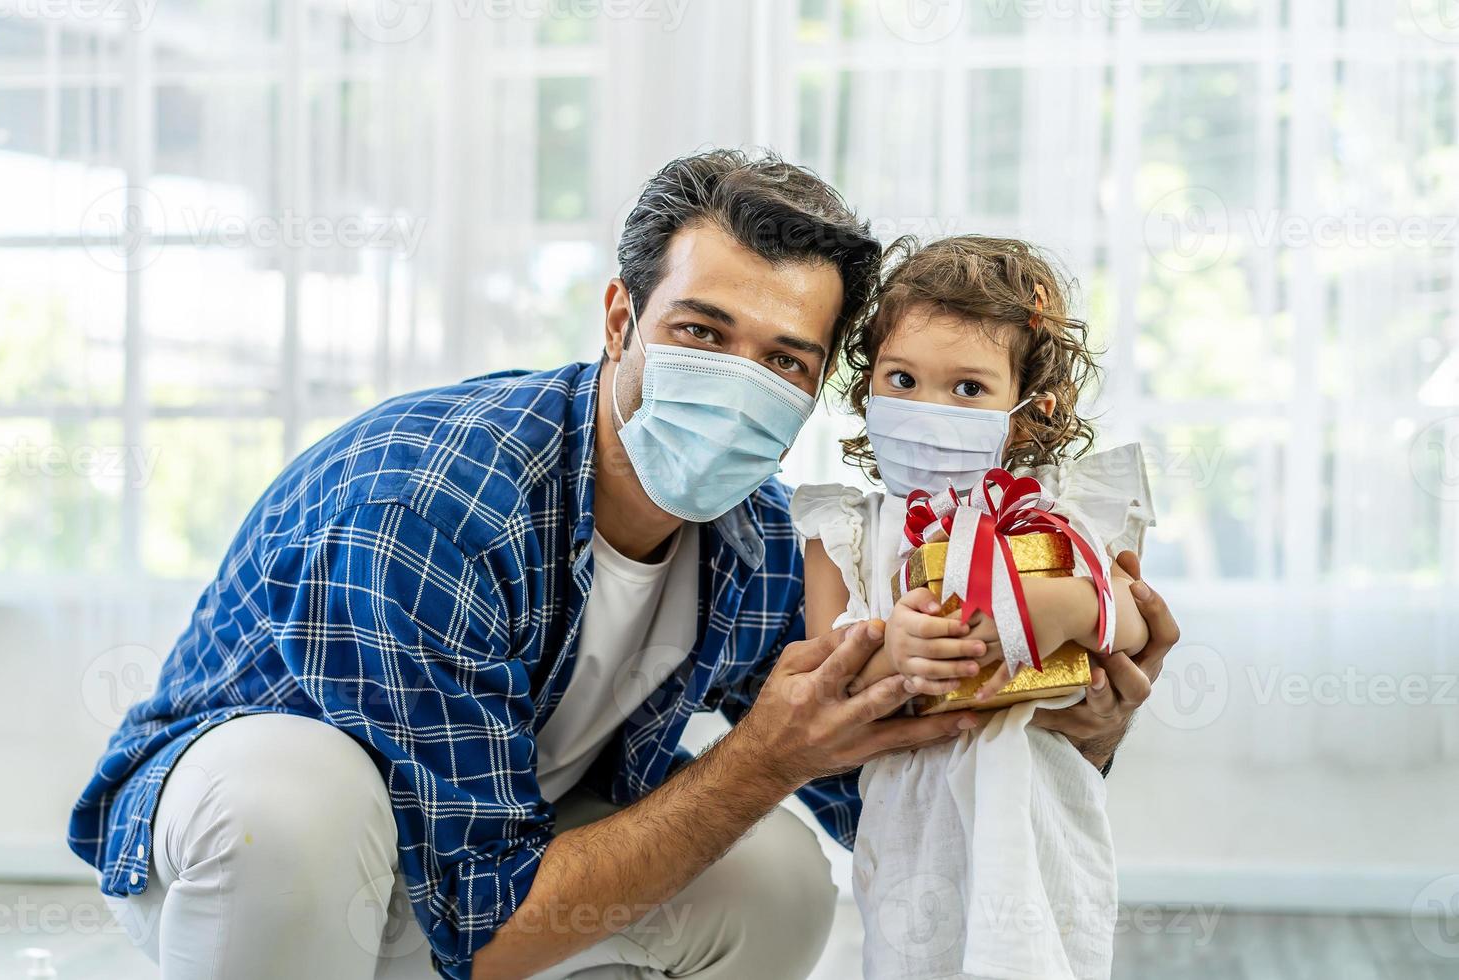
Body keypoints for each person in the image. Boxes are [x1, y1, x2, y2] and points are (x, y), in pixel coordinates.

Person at [67, 151, 1179, 980]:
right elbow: (487, 923)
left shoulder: (757, 541)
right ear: (620, 316)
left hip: (491, 849)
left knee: (781, 878)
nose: (742, 379)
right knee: (294, 804)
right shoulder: (428, 502)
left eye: (786, 357)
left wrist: (1071, 719)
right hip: (249, 861)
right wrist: (760, 757)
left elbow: (871, 777)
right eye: (702, 331)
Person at [791, 235, 1160, 979]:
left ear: (1027, 413)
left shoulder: (1055, 511)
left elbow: (1138, 621)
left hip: (1042, 812)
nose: (928, 407)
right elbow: (828, 683)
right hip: (910, 828)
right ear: (867, 390)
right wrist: (893, 648)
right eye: (902, 378)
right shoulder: (849, 532)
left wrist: (1067, 604)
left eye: (967, 389)